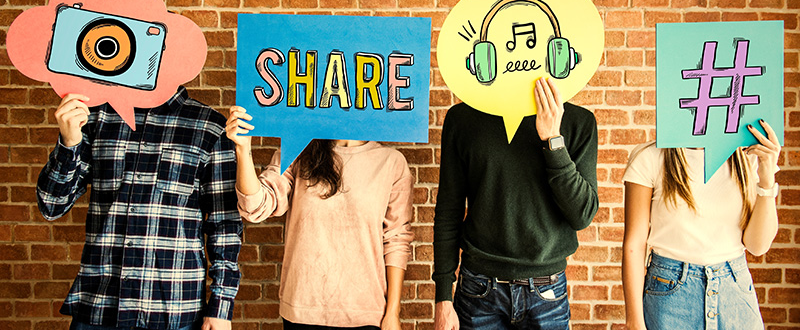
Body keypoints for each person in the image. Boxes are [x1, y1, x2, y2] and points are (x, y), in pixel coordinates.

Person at [37, 89, 242, 330]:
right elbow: (51, 205)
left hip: (173, 311)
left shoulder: (210, 127)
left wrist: (221, 306)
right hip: (101, 306)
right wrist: (69, 143)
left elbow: (224, 225)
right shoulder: (95, 117)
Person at [225, 106, 414, 330]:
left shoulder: (392, 162)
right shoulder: (299, 150)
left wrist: (393, 312)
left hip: (365, 311)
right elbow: (255, 207)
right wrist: (243, 150)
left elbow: (396, 240)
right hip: (303, 309)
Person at [433, 77, 599, 330]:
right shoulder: (463, 118)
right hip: (479, 290)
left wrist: (553, 139)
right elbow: (448, 211)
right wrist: (443, 296)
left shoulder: (579, 122)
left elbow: (582, 215)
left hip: (547, 292)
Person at [621, 120, 780, 330]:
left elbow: (757, 246)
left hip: (734, 291)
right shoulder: (651, 157)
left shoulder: (746, 158)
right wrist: (634, 322)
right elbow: (634, 244)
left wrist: (767, 180)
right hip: (670, 292)